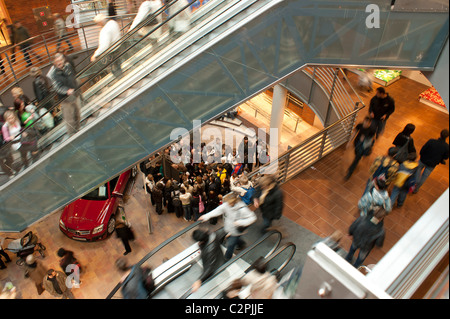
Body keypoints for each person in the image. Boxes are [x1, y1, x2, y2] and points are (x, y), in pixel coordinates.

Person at [199, 192, 257, 260]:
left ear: (233, 203)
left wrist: (240, 222)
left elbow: (253, 218)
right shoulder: (227, 205)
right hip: (229, 227)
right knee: (233, 240)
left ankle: (227, 258)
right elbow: (218, 210)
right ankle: (241, 244)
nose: (226, 204)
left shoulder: (242, 209)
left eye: (228, 203)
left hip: (236, 230)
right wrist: (206, 216)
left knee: (230, 245)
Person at [47, 53, 81, 136]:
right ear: (54, 62)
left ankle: (78, 130)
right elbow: (57, 87)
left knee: (77, 114)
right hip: (65, 99)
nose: (59, 62)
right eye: (57, 61)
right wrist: (67, 91)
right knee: (70, 118)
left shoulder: (68, 66)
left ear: (63, 60)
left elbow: (73, 77)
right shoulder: (54, 74)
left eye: (60, 60)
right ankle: (72, 134)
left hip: (75, 95)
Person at [413, 129, 449, 194]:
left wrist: (421, 155)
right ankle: (416, 189)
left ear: (440, 134)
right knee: (424, 177)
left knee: (417, 170)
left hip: (423, 160)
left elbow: (423, 149)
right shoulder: (447, 147)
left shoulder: (431, 141)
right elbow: (446, 157)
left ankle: (415, 182)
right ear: (447, 137)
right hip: (432, 164)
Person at [344, 116, 376, 180]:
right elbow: (354, 133)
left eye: (367, 123)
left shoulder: (371, 130)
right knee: (356, 154)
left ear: (369, 123)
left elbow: (372, 140)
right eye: (364, 122)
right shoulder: (359, 125)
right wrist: (349, 142)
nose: (365, 124)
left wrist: (365, 140)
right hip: (357, 143)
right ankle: (358, 159)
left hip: (363, 146)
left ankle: (350, 171)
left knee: (357, 158)